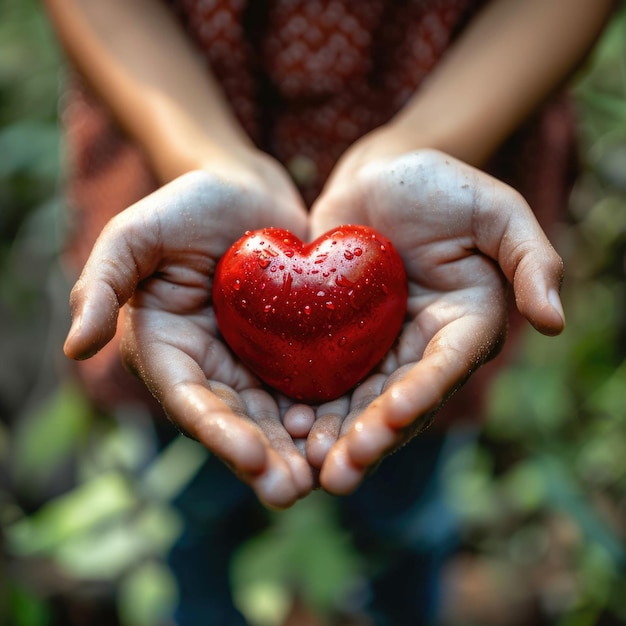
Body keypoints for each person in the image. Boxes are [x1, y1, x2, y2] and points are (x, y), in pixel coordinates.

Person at [43, 0, 613, 624]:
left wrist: (424, 144)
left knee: (405, 491)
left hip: (456, 169)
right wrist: (204, 154)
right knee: (192, 499)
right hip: (176, 199)